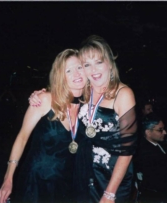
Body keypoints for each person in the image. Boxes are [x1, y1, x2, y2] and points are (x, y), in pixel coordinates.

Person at [30, 35, 137, 203]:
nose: (93, 70)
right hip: (83, 174)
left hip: (111, 178)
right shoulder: (84, 92)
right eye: (87, 64)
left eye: (99, 62)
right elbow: (60, 89)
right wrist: (40, 94)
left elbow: (128, 150)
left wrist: (110, 193)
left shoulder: (123, 94)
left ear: (110, 62)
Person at [0, 49, 87, 203]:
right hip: (37, 182)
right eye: (69, 70)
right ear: (61, 76)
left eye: (79, 67)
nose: (76, 74)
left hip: (68, 183)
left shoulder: (88, 107)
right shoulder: (45, 99)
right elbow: (22, 137)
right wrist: (8, 178)